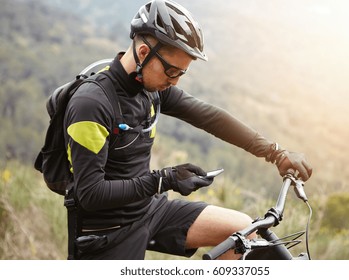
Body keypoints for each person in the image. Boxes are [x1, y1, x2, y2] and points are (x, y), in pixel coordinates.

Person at [64, 0, 312, 260]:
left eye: (181, 73)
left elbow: (210, 117)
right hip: (106, 231)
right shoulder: (91, 104)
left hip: (149, 210)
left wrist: (276, 153)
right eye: (171, 71)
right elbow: (90, 194)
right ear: (143, 52)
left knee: (242, 234)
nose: (174, 82)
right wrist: (164, 180)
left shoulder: (150, 89)